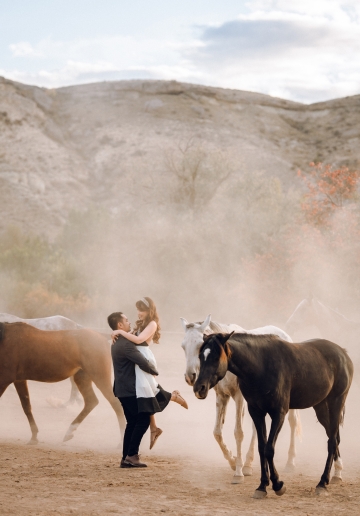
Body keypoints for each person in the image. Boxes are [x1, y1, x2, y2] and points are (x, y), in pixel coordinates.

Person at [110, 297, 188, 451]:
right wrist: (117, 335)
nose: (139, 313)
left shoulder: (152, 324)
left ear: (149, 310)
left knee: (148, 391)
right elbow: (129, 338)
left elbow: (138, 340)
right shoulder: (141, 323)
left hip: (143, 357)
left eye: (142, 310)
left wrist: (118, 331)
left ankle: (172, 397)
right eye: (138, 310)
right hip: (136, 357)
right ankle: (154, 427)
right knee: (146, 392)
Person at [108, 310, 159, 468]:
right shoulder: (126, 345)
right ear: (120, 325)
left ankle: (125, 458)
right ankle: (132, 455)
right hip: (130, 389)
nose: (130, 322)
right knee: (143, 419)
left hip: (122, 389)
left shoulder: (116, 342)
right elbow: (142, 362)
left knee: (131, 422)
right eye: (127, 320)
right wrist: (154, 371)